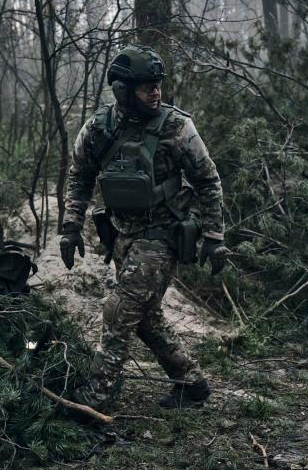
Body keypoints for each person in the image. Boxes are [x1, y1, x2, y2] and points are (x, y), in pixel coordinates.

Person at [59, 44, 229, 411]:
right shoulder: (98, 128)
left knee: (120, 310)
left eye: (157, 85)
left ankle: (94, 400)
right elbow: (80, 177)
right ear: (123, 90)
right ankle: (191, 383)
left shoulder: (177, 127)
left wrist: (214, 237)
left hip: (163, 235)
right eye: (146, 86)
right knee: (146, 317)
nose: (155, 92)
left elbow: (208, 181)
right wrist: (71, 227)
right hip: (122, 234)